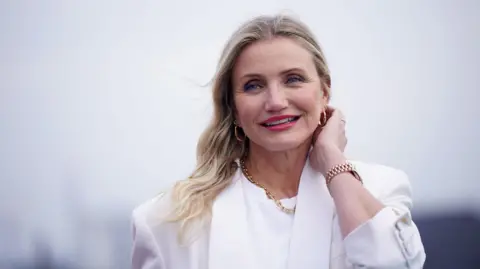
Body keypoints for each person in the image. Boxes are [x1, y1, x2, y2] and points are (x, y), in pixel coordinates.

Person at [131, 14, 426, 269]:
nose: (275, 101)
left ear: (324, 92)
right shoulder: (168, 220)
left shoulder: (379, 188)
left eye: (293, 79)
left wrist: (331, 159)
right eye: (253, 85)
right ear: (232, 107)